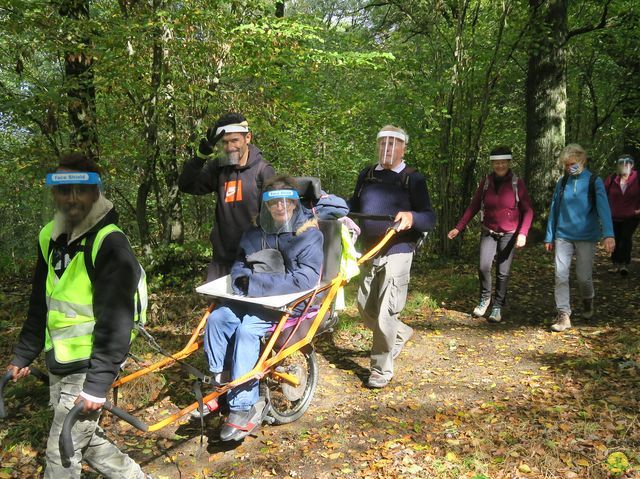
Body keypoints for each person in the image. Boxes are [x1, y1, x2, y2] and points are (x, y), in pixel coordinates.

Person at [6, 153, 148, 478]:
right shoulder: (50, 237)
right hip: (58, 360)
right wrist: (24, 354)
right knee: (87, 441)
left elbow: (117, 321)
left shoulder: (109, 243)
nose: (71, 198)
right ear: (53, 193)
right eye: (62, 189)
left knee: (61, 452)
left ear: (95, 191)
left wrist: (97, 385)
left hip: (89, 366)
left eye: (79, 189)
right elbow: (40, 301)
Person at [203, 176, 323, 441]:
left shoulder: (308, 235)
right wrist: (239, 280)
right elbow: (240, 264)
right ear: (266, 207)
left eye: (285, 202)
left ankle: (242, 406)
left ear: (293, 204)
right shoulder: (255, 233)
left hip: (286, 305)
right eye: (273, 203)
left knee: (246, 330)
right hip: (249, 298)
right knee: (218, 318)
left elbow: (303, 280)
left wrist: (254, 283)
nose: (279, 207)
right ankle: (220, 381)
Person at [348, 125, 436, 389]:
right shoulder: (367, 175)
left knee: (386, 312)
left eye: (393, 144)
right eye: (383, 143)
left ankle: (380, 369)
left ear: (403, 148)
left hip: (398, 249)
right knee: (365, 307)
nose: (387, 149)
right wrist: (338, 209)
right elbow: (354, 204)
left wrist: (411, 217)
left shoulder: (413, 178)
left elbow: (429, 217)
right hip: (369, 249)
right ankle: (400, 333)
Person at [178, 112, 275, 280]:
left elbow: (273, 219)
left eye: (235, 140)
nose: (229, 147)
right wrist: (200, 157)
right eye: (224, 142)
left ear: (248, 138)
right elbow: (187, 185)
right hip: (221, 261)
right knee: (216, 306)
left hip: (253, 261)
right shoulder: (219, 168)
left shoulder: (263, 171)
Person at [447, 146, 534, 323]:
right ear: (492, 164)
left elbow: (528, 210)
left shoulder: (517, 183)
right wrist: (459, 227)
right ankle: (485, 299)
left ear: (509, 163)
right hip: (489, 231)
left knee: (503, 272)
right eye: (496, 162)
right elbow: (474, 206)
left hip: (509, 234)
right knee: (483, 266)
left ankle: (498, 306)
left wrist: (523, 233)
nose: (500, 165)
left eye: (503, 162)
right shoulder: (486, 182)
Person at [544, 144, 615, 332]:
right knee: (560, 274)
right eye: (566, 165)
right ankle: (563, 314)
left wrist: (608, 234)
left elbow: (604, 209)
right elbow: (554, 209)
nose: (569, 168)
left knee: (584, 277)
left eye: (572, 164)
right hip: (563, 235)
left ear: (582, 160)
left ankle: (588, 299)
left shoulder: (594, 181)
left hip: (587, 236)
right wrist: (549, 236)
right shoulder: (562, 182)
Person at [604, 154, 640, 276]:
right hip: (613, 216)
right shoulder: (612, 179)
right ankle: (615, 264)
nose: (624, 165)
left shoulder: (637, 178)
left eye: (627, 163)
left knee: (625, 238)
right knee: (616, 239)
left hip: (631, 216)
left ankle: (624, 264)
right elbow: (602, 195)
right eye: (621, 163)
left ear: (632, 165)